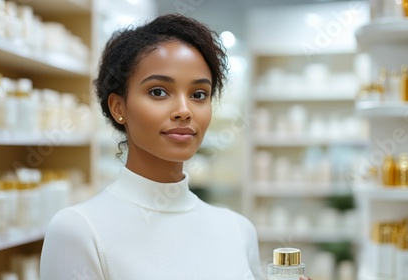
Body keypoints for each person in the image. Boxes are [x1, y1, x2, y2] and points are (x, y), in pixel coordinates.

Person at [40, 13, 310, 280]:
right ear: (118, 107)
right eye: (158, 91)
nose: (184, 110)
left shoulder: (238, 230)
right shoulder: (78, 230)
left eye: (198, 95)